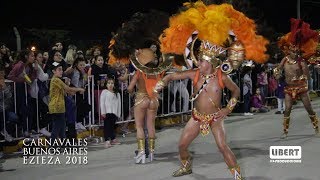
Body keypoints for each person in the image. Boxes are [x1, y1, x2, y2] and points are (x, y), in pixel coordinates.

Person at [155, 2, 268, 179]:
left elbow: (236, 91)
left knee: (223, 147)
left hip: (215, 118)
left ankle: (238, 177)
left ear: (212, 62)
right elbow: (172, 76)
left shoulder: (221, 77)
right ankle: (186, 167)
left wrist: (227, 109)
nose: (198, 62)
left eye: (202, 60)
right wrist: (162, 82)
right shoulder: (195, 73)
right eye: (199, 59)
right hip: (196, 117)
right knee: (182, 146)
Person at [109, 10, 170, 164]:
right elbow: (162, 83)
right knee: (151, 125)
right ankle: (152, 154)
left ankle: (142, 153)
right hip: (154, 100)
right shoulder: (158, 72)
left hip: (141, 98)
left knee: (139, 127)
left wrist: (131, 88)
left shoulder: (138, 72)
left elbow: (130, 88)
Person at [275, 18, 319, 139]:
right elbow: (277, 70)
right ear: (288, 50)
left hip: (301, 88)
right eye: (292, 50)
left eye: (296, 50)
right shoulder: (284, 60)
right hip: (289, 88)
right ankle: (285, 131)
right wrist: (277, 74)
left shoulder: (302, 62)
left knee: (309, 108)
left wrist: (300, 78)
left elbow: (308, 76)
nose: (294, 52)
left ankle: (316, 128)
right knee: (287, 109)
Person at [49, 62, 85, 142]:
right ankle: (52, 145)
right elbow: (68, 89)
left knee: (62, 127)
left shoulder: (58, 80)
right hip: (56, 107)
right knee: (57, 128)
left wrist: (74, 90)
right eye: (59, 70)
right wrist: (79, 89)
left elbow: (68, 91)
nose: (61, 71)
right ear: (53, 71)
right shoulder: (55, 80)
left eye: (62, 70)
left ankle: (63, 143)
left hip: (60, 107)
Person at [100, 76, 121, 148]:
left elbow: (119, 104)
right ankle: (107, 140)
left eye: (112, 83)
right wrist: (103, 112)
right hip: (107, 113)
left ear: (114, 85)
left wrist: (118, 114)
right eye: (109, 83)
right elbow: (102, 102)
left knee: (112, 126)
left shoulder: (117, 94)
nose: (110, 85)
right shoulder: (104, 92)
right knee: (107, 127)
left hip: (114, 113)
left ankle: (113, 138)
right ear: (106, 84)